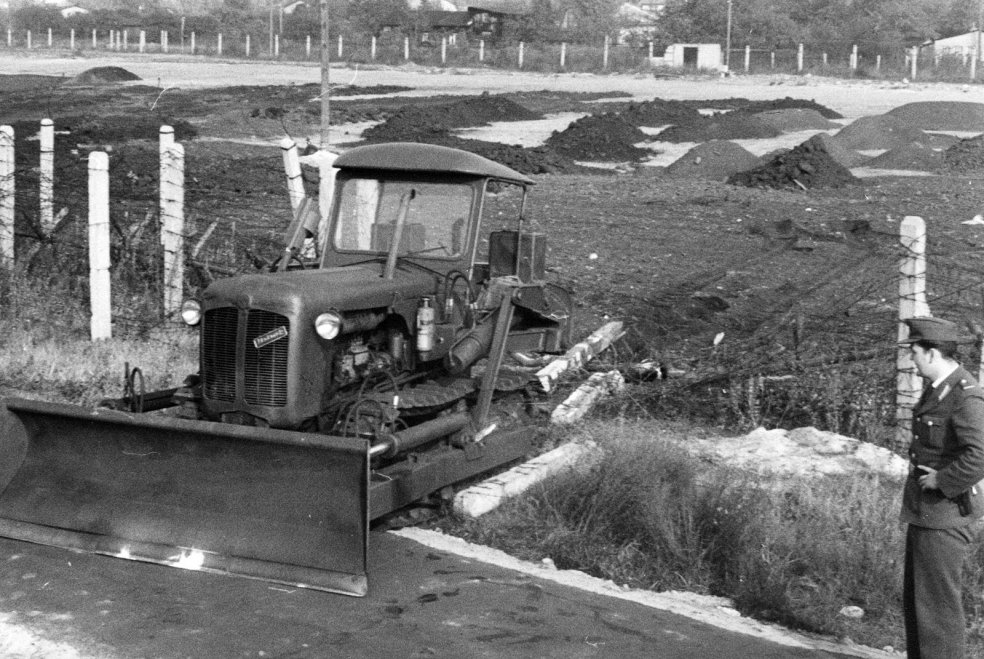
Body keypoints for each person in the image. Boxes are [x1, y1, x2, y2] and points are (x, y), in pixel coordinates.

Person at [900, 316, 984, 658]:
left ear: (933, 353)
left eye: (916, 352)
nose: (912, 359)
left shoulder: (965, 395)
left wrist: (941, 480)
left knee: (937, 609)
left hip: (945, 513)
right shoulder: (939, 390)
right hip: (926, 511)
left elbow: (980, 454)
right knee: (919, 603)